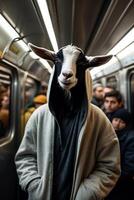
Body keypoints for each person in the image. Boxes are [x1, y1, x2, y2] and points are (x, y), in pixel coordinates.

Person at [15, 44, 120, 200]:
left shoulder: (98, 119)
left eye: (79, 64)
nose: (67, 72)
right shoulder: (39, 116)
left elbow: (109, 166)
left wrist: (88, 193)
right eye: (59, 61)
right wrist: (34, 184)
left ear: (84, 72)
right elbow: (25, 157)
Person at [106, 108, 134, 200]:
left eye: (122, 122)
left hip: (121, 184)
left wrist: (109, 178)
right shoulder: (108, 134)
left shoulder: (130, 138)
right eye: (116, 120)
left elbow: (129, 167)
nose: (117, 124)